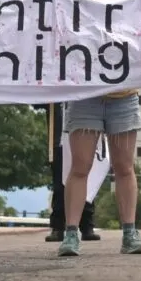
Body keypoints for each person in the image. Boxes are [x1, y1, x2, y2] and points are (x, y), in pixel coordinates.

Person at [58, 0, 141, 256]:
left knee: (124, 167)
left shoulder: (133, 8)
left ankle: (130, 233)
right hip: (86, 98)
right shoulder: (73, 9)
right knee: (79, 167)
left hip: (124, 97)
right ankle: (71, 234)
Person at [44, 102, 99, 243]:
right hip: (59, 140)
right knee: (59, 183)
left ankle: (86, 225)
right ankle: (58, 226)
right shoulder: (54, 93)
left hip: (82, 132)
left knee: (86, 179)